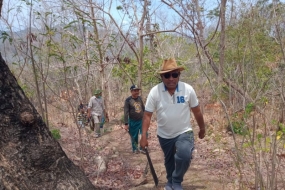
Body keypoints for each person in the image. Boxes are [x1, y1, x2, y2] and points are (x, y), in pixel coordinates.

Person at [140, 58, 206, 190]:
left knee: (184, 155)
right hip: (164, 134)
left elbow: (197, 110)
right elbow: (147, 115)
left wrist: (202, 128)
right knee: (169, 160)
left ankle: (176, 181)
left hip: (184, 131)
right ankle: (170, 182)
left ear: (179, 75)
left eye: (174, 74)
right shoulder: (155, 91)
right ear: (162, 77)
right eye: (167, 75)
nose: (171, 78)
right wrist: (143, 136)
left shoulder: (188, 89)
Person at [124, 85, 145, 154]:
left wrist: (146, 117)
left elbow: (143, 108)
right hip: (133, 121)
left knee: (144, 134)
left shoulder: (140, 98)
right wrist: (126, 123)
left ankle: (142, 148)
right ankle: (135, 148)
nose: (137, 92)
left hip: (141, 120)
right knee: (134, 136)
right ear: (131, 91)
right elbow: (126, 112)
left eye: (138, 90)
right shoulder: (128, 100)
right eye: (135, 91)